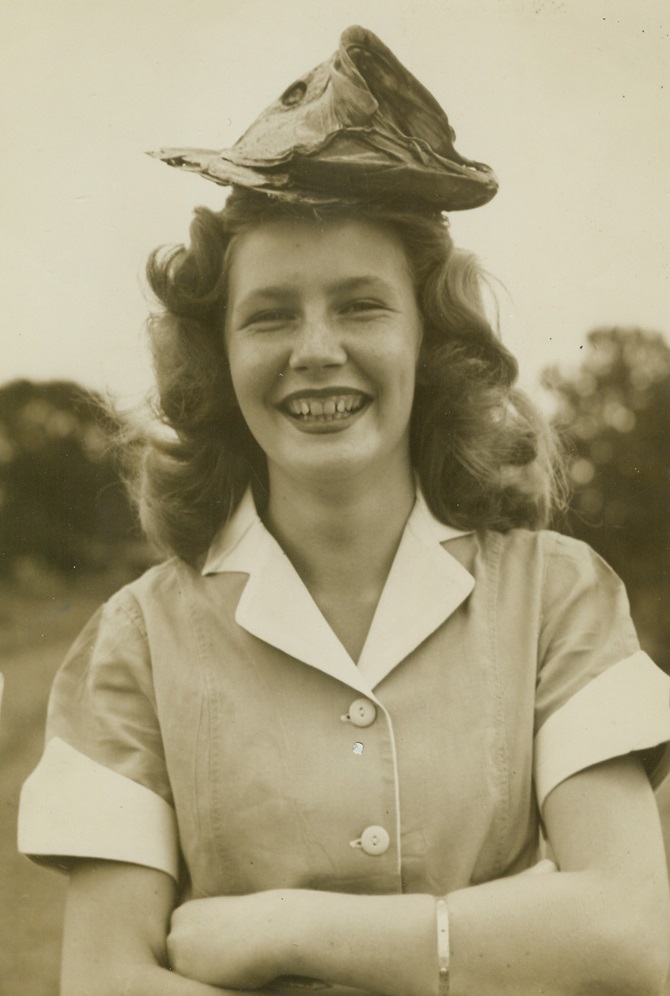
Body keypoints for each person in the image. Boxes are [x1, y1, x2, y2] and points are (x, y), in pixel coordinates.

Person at [18, 25, 670, 996]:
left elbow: (629, 936)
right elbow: (105, 979)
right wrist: (505, 938)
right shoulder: (137, 642)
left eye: (361, 306)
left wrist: (286, 931)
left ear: (428, 340)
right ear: (217, 359)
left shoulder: (555, 598)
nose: (314, 349)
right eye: (270, 314)